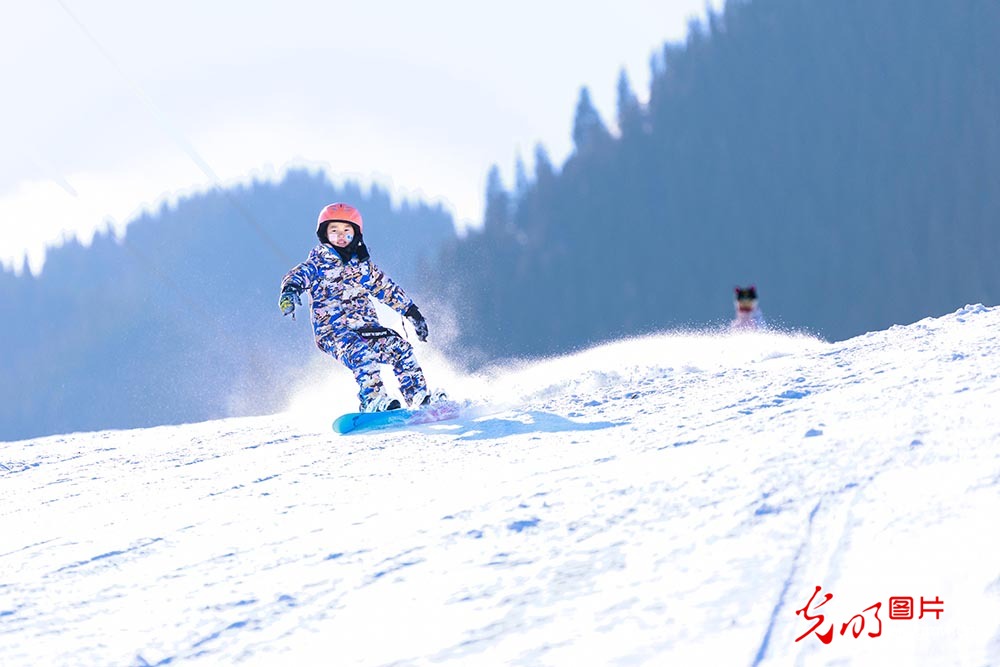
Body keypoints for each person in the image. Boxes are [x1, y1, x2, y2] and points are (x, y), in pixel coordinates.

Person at [278, 202, 445, 412]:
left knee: (400, 348)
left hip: (366, 328)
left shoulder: (363, 266)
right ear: (324, 234)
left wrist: (412, 313)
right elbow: (297, 275)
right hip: (334, 332)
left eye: (346, 230)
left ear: (356, 234)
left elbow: (386, 288)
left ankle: (418, 396)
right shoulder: (318, 264)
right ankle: (373, 399)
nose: (340, 235)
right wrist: (290, 292)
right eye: (334, 230)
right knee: (362, 354)